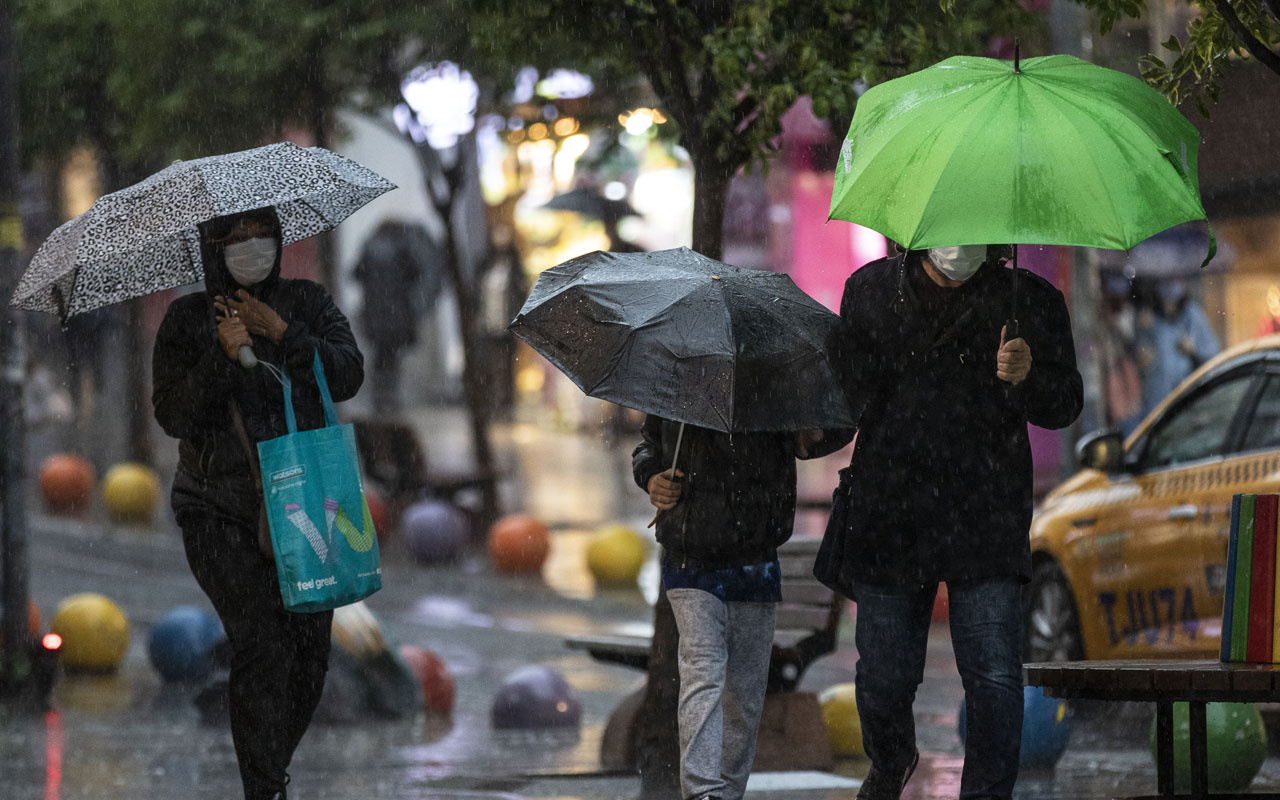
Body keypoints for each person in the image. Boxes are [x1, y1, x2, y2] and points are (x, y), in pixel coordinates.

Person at [816, 244, 1082, 800]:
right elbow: (848, 398)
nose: (959, 240)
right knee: (883, 679)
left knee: (994, 677)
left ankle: (986, 793)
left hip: (985, 514)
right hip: (891, 517)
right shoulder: (870, 294)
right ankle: (891, 760)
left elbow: (1063, 403)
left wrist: (1029, 374)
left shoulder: (1029, 301)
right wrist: (807, 435)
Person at [152, 207, 364, 800]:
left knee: (309, 654)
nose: (251, 248)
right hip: (218, 505)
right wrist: (220, 356)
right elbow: (174, 415)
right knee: (261, 643)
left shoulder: (307, 302)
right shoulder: (188, 318)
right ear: (213, 248)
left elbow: (348, 375)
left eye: (260, 236)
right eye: (236, 239)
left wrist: (282, 332)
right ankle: (264, 789)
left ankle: (269, 770)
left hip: (304, 502)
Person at [633, 416, 842, 800]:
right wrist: (650, 475)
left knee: (744, 693)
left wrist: (813, 434)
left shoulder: (780, 375)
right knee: (703, 673)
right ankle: (703, 793)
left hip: (755, 554)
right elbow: (649, 442)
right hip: (690, 555)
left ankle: (726, 793)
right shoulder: (684, 372)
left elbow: (831, 425)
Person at [351, 219, 426, 413]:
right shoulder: (401, 250)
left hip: (375, 313)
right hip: (396, 313)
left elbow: (355, 274)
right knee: (391, 357)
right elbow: (415, 273)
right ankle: (389, 397)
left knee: (379, 356)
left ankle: (379, 397)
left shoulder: (369, 249)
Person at [1135, 278, 1219, 419]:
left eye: (1172, 300)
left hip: (1185, 395)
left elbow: (1213, 354)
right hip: (1156, 398)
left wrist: (1194, 349)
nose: (1169, 305)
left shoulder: (1192, 314)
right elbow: (1140, 358)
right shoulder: (1149, 318)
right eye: (1165, 300)